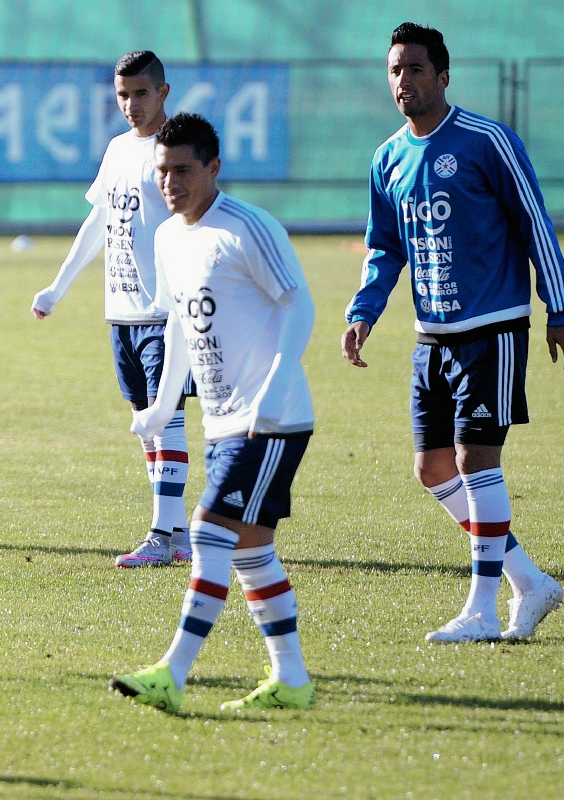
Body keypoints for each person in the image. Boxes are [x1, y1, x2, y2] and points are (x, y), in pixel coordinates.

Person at [342, 23, 564, 643]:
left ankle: (482, 610)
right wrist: (363, 311)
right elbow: (384, 246)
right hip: (430, 335)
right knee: (434, 469)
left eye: (415, 69)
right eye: (395, 71)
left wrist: (559, 305)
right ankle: (531, 582)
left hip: (490, 327)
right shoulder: (387, 158)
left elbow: (535, 223)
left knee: (474, 459)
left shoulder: (486, 140)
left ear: (443, 76)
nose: (403, 81)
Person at [111, 113, 317, 713]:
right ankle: (293, 681)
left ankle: (171, 674)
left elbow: (297, 304)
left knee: (205, 531)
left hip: (270, 419)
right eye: (162, 172)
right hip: (223, 420)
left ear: (213, 168)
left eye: (183, 170)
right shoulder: (168, 237)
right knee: (252, 551)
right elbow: (177, 323)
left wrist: (279, 382)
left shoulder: (247, 228)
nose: (170, 183)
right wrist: (160, 406)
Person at [31, 50, 192, 567]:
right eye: (122, 95)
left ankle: (162, 535)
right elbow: (99, 222)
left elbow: (197, 225)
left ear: (163, 92)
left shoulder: (177, 151)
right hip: (120, 312)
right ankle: (180, 531)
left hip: (164, 314)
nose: (130, 104)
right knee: (145, 423)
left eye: (140, 93)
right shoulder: (119, 149)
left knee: (165, 420)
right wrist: (57, 288)